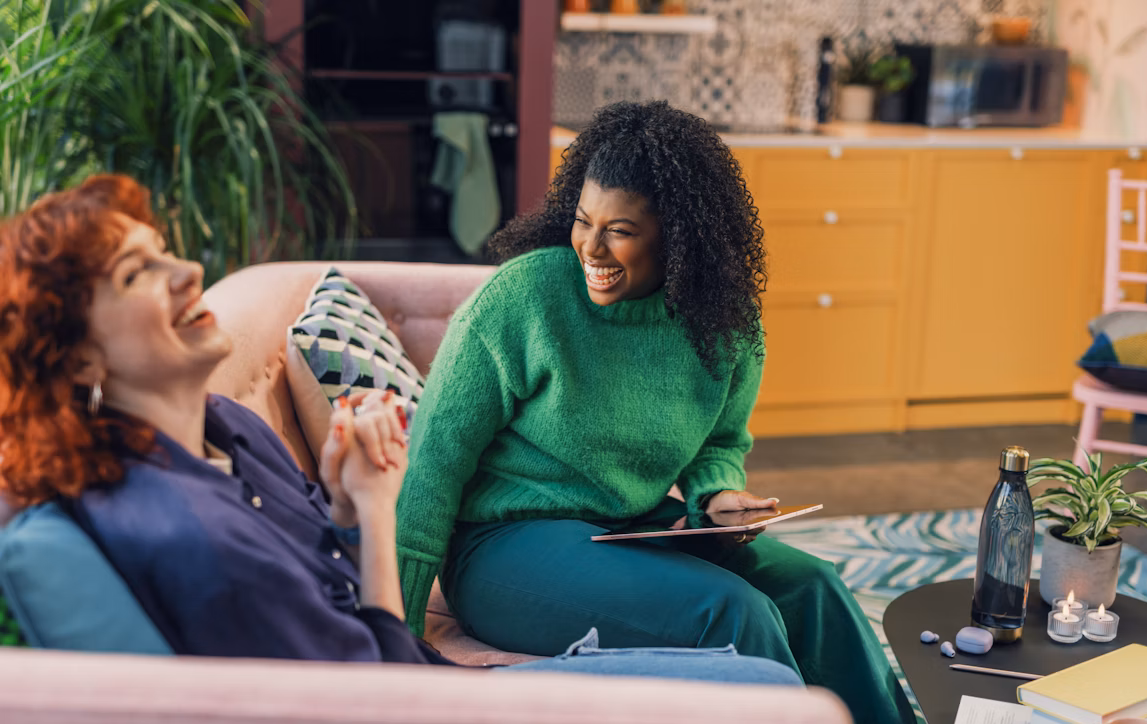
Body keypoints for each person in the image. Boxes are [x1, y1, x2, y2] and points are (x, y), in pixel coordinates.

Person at [0, 173, 803, 687]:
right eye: (137, 275)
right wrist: (383, 517)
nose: (188, 272)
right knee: (752, 663)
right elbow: (376, 694)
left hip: (423, 673)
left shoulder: (229, 429)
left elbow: (341, 584)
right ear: (72, 358)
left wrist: (356, 506)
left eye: (166, 252)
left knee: (809, 594)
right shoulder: (185, 533)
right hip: (430, 713)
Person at [395, 100, 931, 724]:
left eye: (618, 230)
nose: (590, 247)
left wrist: (717, 494)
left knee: (815, 590)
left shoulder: (722, 322)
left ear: (678, 237)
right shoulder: (522, 300)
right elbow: (432, 468)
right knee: (736, 614)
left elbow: (719, 440)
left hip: (638, 528)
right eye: (582, 222)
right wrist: (397, 641)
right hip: (505, 549)